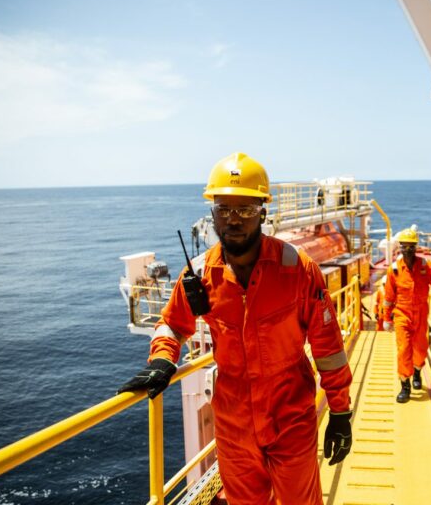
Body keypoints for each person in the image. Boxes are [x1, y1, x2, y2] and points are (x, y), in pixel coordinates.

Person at [118, 152, 353, 505]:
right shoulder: (201, 274)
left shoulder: (296, 269)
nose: (233, 219)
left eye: (245, 209)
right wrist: (163, 360)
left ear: (263, 212)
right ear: (212, 214)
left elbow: (328, 347)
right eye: (224, 209)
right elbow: (171, 323)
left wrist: (340, 411)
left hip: (290, 420)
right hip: (234, 427)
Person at [383, 227, 431, 403]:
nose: (408, 250)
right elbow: (388, 298)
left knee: (420, 349)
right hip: (402, 314)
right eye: (405, 246)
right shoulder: (394, 270)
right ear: (400, 247)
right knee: (404, 349)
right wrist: (387, 318)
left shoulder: (426, 266)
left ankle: (417, 371)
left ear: (416, 247)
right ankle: (405, 385)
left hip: (421, 313)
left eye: (411, 246)